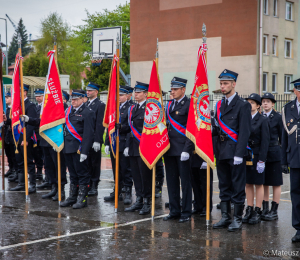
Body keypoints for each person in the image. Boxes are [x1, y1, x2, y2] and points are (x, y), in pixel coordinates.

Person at [212, 69, 251, 232]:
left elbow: (245, 131)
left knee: (237, 186)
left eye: (226, 83)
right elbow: (216, 130)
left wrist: (239, 154)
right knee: (224, 185)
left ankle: (237, 218)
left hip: (235, 151)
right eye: (221, 83)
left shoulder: (243, 105)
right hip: (221, 151)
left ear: (233, 84)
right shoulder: (219, 104)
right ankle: (226, 217)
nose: (223, 86)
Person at [163, 77, 194, 223]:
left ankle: (186, 212)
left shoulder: (189, 105)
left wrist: (187, 150)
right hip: (169, 150)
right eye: (172, 89)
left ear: (183, 89)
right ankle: (174, 210)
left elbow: (191, 129)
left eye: (175, 89)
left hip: (183, 150)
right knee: (172, 181)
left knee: (185, 182)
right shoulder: (169, 106)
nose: (172, 92)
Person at [60, 90, 95, 209]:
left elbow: (88, 133)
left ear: (82, 99)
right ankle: (72, 197)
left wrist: (84, 151)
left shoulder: (87, 112)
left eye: (75, 99)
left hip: (79, 149)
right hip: (68, 148)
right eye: (72, 99)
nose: (73, 101)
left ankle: (82, 198)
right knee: (73, 174)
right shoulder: (68, 111)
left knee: (83, 174)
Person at [123, 82, 153, 215]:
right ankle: (139, 199)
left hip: (145, 147)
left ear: (146, 94)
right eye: (135, 92)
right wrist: (120, 127)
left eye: (139, 92)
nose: (136, 94)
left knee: (145, 175)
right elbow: (130, 129)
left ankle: (147, 202)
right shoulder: (133, 108)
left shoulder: (150, 108)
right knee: (136, 175)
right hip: (134, 147)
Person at [242, 93, 270, 225]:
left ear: (258, 106)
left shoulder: (262, 120)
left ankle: (258, 210)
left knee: (258, 184)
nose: (249, 105)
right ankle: (249, 208)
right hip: (247, 155)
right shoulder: (244, 118)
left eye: (252, 103)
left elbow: (265, 141)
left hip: (257, 154)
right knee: (248, 183)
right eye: (248, 102)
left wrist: (262, 160)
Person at [104, 86, 133, 204]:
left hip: (123, 142)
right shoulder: (113, 108)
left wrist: (127, 145)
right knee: (116, 170)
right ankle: (117, 191)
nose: (119, 97)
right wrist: (107, 142)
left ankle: (128, 193)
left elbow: (131, 128)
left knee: (126, 170)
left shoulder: (130, 108)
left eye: (121, 95)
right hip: (114, 143)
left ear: (127, 96)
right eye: (118, 95)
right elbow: (109, 127)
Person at [9, 84, 38, 193]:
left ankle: (32, 185)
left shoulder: (30, 105)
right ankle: (22, 183)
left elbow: (31, 123)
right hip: (16, 137)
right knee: (19, 161)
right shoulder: (17, 105)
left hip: (25, 138)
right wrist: (6, 120)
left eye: (21, 91)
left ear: (25, 92)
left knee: (29, 161)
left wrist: (26, 139)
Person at [281, 78, 300, 242]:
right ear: (294, 90)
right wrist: (283, 160)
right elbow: (284, 137)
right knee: (295, 195)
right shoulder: (288, 109)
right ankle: (299, 228)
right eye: (299, 89)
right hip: (294, 158)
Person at [260, 93, 283, 221]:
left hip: (274, 152)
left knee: (275, 182)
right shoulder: (260, 117)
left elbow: (282, 137)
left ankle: (274, 211)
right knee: (264, 183)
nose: (265, 104)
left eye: (268, 101)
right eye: (263, 101)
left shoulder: (278, 117)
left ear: (273, 104)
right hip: (262, 153)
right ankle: (265, 209)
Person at [85, 82, 105, 196]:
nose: (88, 92)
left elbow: (99, 124)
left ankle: (94, 185)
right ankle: (87, 183)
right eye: (87, 90)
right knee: (86, 163)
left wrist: (97, 140)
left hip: (93, 139)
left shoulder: (100, 105)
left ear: (96, 92)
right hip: (86, 139)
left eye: (90, 90)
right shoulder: (86, 104)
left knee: (95, 163)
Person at [4, 92, 17, 181]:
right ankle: (11, 168)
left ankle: (15, 170)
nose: (6, 99)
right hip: (7, 134)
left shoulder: (14, 109)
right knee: (8, 153)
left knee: (13, 154)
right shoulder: (7, 109)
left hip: (13, 134)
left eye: (8, 97)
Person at [33, 88, 44, 181]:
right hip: (36, 134)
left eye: (39, 96)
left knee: (42, 154)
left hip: (42, 134)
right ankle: (39, 171)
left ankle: (41, 172)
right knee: (37, 154)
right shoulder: (36, 107)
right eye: (36, 96)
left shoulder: (44, 107)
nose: (38, 98)